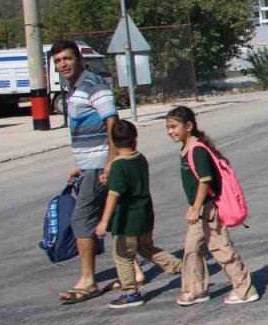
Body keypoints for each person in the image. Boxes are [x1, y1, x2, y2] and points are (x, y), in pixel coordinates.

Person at [165, 106, 258, 306]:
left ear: (188, 126)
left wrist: (195, 207)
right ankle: (195, 290)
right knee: (191, 250)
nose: (170, 131)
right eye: (168, 127)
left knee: (221, 249)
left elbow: (204, 181)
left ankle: (245, 290)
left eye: (174, 127)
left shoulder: (197, 150)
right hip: (200, 211)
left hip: (207, 210)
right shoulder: (187, 148)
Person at [52, 40, 119, 305]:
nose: (63, 64)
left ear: (78, 58)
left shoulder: (93, 84)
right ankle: (132, 271)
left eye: (67, 58)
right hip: (89, 166)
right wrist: (79, 166)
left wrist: (111, 161)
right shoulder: (74, 88)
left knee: (81, 220)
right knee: (110, 219)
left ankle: (88, 280)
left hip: (100, 164)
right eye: (58, 61)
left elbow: (112, 122)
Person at [93, 120, 183, 309]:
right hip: (144, 214)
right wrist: (110, 179)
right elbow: (127, 183)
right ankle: (183, 267)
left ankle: (130, 292)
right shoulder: (140, 158)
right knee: (147, 249)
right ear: (135, 140)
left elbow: (114, 194)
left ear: (113, 143)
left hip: (127, 220)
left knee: (123, 256)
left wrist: (104, 221)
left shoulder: (118, 165)